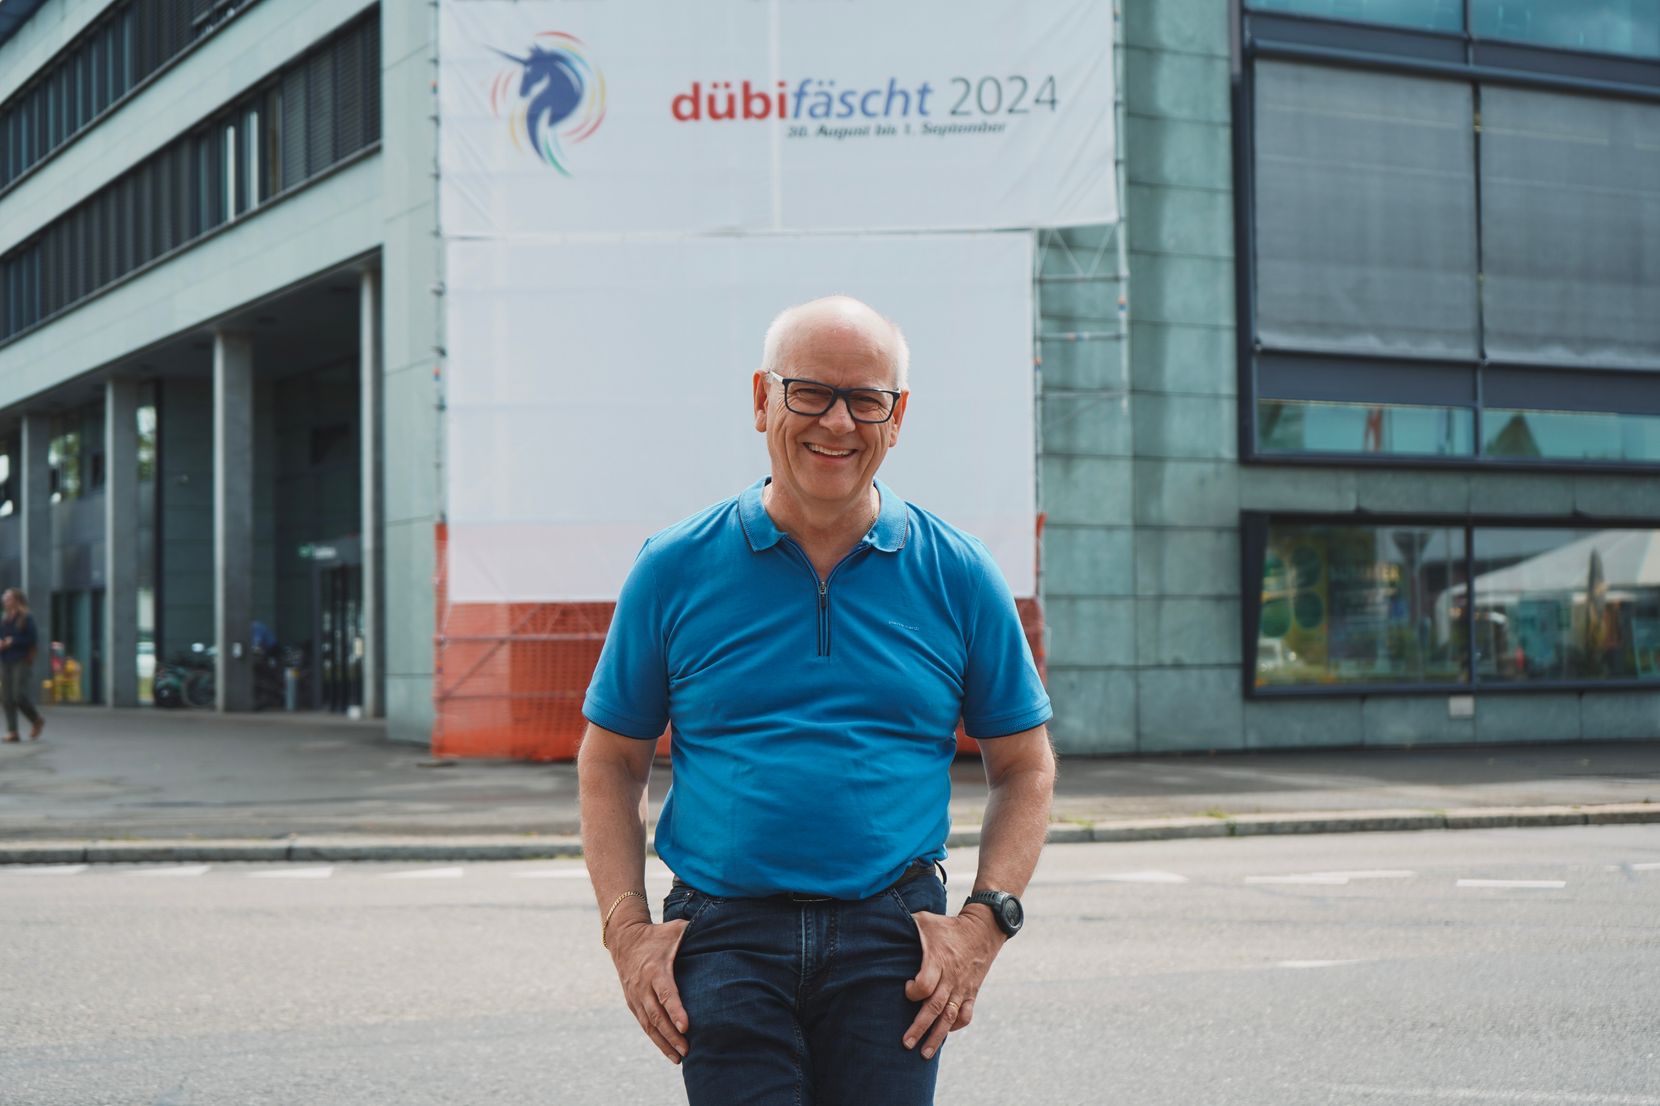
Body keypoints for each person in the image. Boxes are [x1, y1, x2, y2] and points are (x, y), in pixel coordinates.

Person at [579, 295, 1056, 1106]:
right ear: (762, 398)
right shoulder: (673, 568)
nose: (837, 423)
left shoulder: (961, 573)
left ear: (896, 417)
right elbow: (611, 762)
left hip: (893, 934)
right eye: (810, 392)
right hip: (722, 931)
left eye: (864, 399)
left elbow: (1025, 768)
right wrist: (626, 934)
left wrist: (984, 924)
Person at [0, 587, 45, 742]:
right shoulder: (4, 619)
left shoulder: (26, 617)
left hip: (21, 659)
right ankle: (13, 731)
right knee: (6, 697)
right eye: (4, 599)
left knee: (18, 695)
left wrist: (13, 641)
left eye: (7, 598)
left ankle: (36, 720)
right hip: (6, 659)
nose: (4, 601)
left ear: (16, 600)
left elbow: (32, 639)